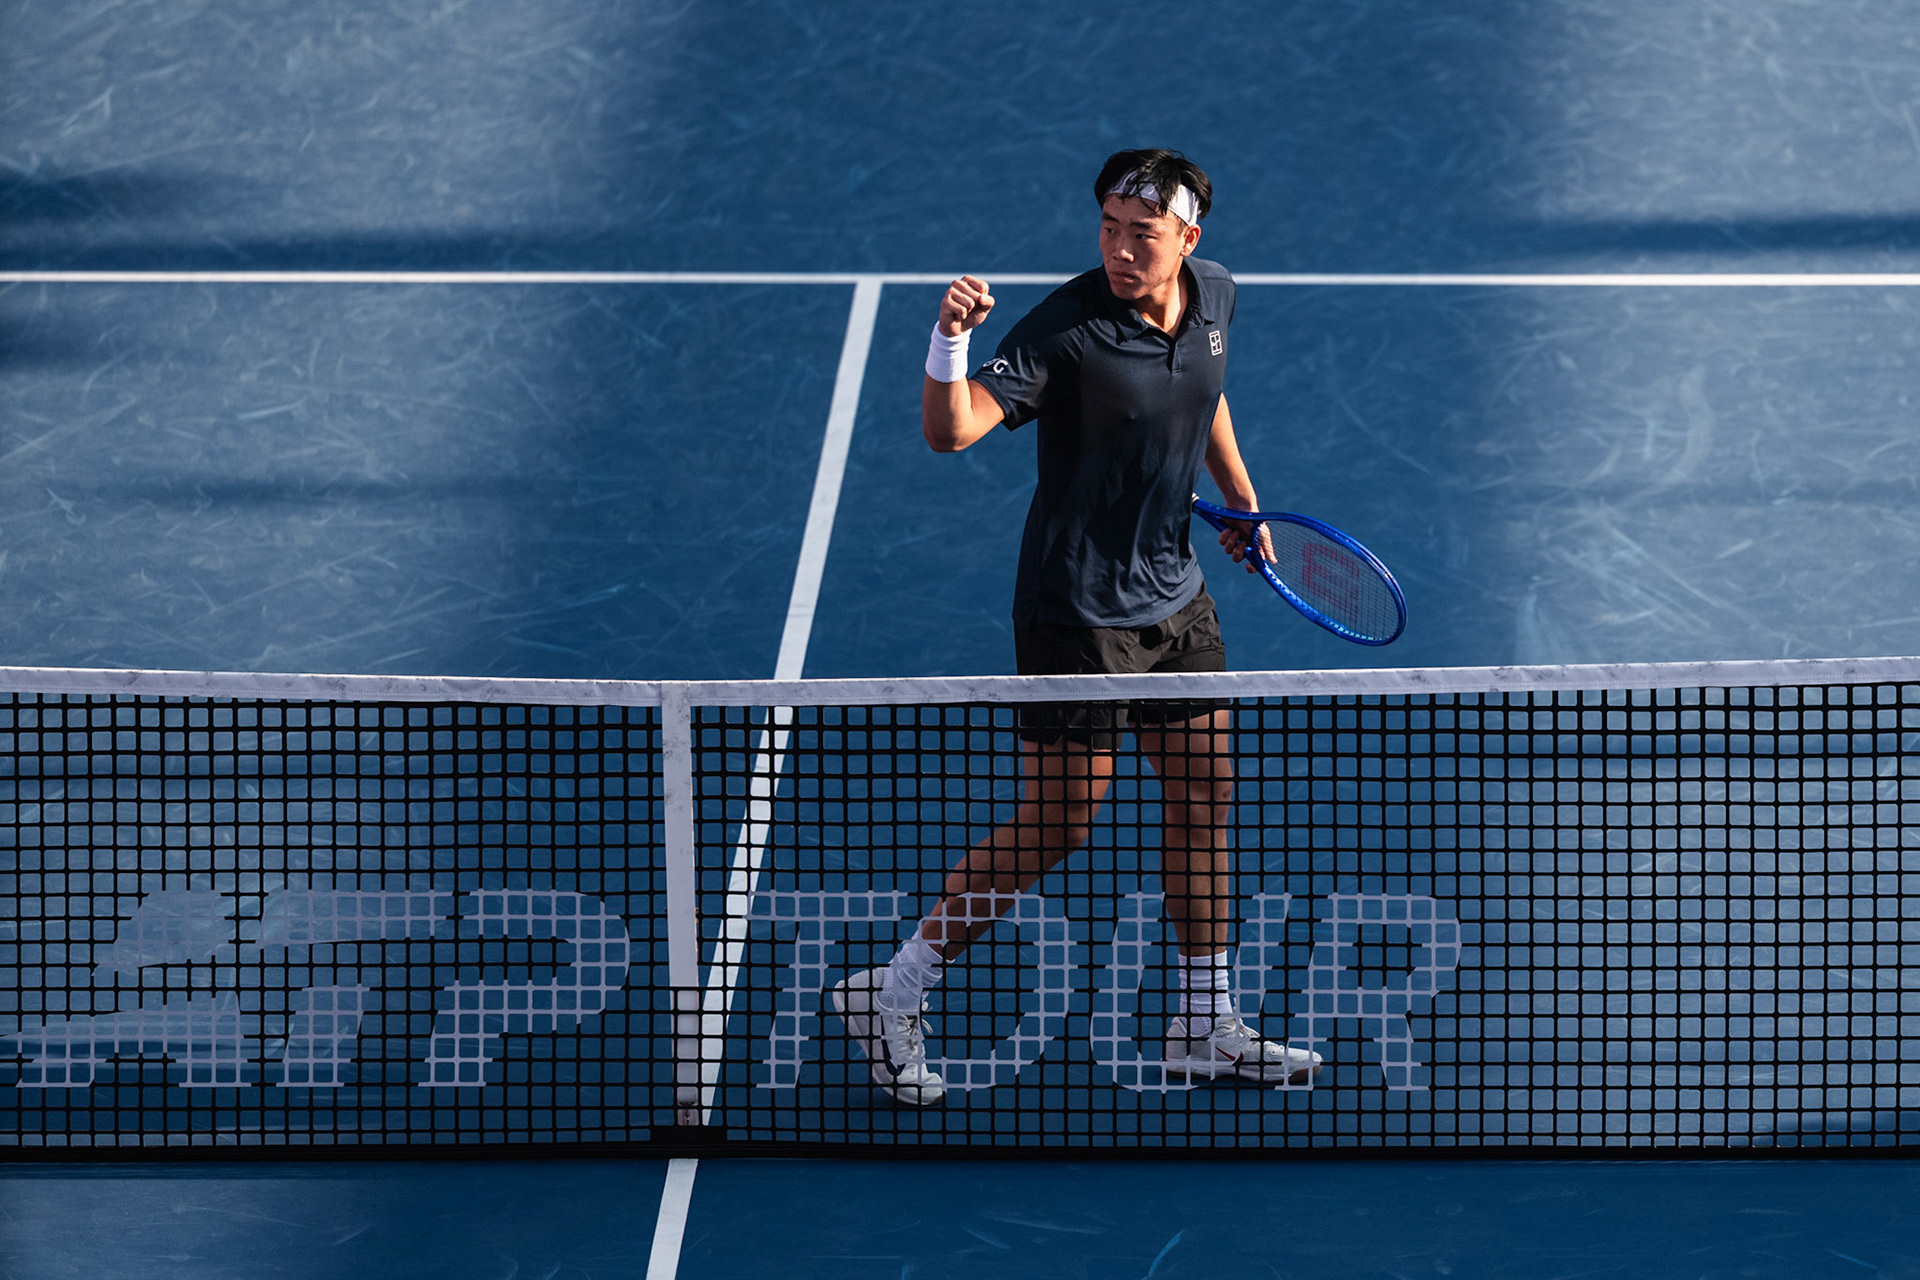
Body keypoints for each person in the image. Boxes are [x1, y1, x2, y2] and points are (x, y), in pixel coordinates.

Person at [831, 148, 1324, 1106]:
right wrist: (948, 340)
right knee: (1060, 823)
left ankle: (1203, 1023)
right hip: (1077, 616)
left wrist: (1241, 499)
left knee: (1205, 799)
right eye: (1108, 228)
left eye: (1143, 234)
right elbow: (950, 431)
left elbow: (1206, 389)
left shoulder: (1215, 298)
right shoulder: (1065, 330)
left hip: (1176, 602)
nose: (1120, 250)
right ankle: (888, 993)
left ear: (1188, 238)